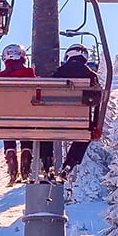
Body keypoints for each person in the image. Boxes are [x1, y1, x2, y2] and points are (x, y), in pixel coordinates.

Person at [48, 43, 99, 182]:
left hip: (55, 120)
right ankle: (70, 163)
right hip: (79, 122)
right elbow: (96, 99)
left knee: (44, 131)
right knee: (85, 136)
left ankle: (47, 161)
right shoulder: (91, 76)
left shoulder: (59, 73)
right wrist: (95, 125)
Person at [0, 43, 35, 186]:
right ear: (23, 58)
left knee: (6, 128)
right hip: (27, 117)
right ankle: (26, 151)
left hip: (6, 118)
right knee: (28, 130)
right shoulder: (30, 74)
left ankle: (10, 154)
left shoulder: (0, 77)